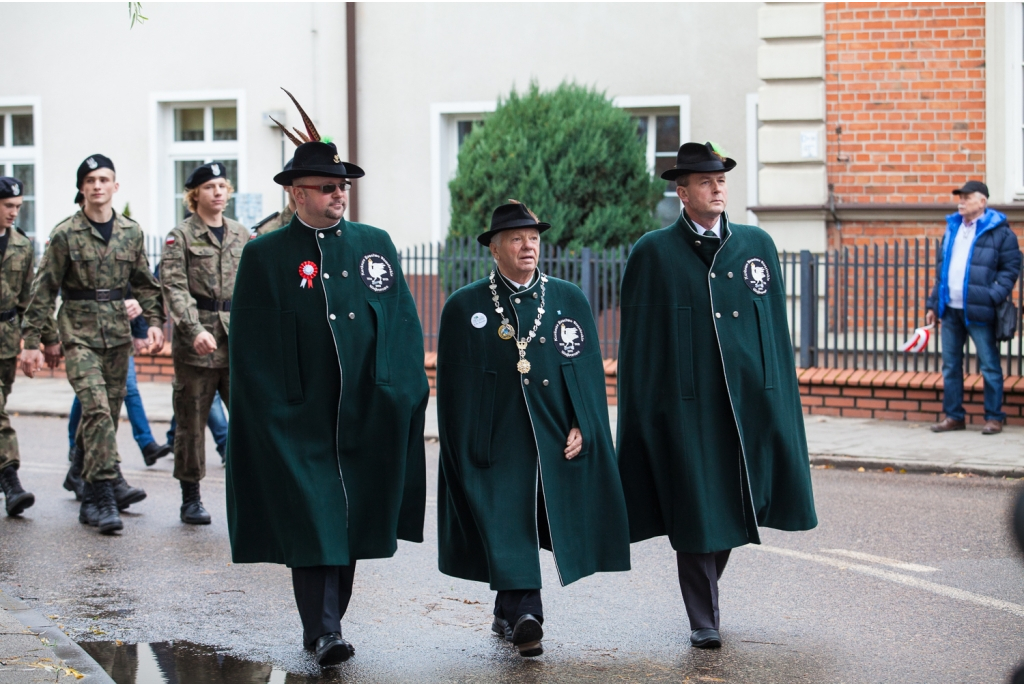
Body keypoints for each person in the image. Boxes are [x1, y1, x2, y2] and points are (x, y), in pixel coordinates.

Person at [226, 90, 429, 667]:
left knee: (352, 520)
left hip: (365, 411)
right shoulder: (264, 257)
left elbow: (400, 325)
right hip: (298, 416)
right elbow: (252, 346)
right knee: (313, 519)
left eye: (341, 186)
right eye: (325, 186)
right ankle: (323, 631)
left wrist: (404, 390)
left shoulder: (375, 246)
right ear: (296, 193)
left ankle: (330, 620)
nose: (337, 194)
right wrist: (266, 414)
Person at [616, 142, 818, 649]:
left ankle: (706, 591)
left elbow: (773, 332)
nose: (717, 189)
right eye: (705, 183)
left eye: (722, 181)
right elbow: (639, 346)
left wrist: (777, 401)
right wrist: (644, 415)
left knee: (731, 508)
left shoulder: (757, 245)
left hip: (747, 405)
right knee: (694, 509)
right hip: (686, 410)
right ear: (682, 193)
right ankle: (703, 617)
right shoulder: (653, 253)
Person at [436, 201, 631, 658]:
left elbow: (586, 371)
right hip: (493, 438)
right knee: (504, 518)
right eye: (516, 239)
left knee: (534, 520)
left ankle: (510, 612)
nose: (528, 246)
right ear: (495, 249)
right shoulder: (464, 306)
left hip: (551, 436)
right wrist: (461, 449)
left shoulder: (568, 298)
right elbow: (454, 388)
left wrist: (586, 423)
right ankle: (528, 615)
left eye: (533, 238)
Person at [21, 154, 165, 535]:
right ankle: (99, 496)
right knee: (98, 409)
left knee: (106, 411)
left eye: (104, 179)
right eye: (90, 180)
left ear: (115, 186)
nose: (97, 186)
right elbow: (44, 289)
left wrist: (151, 323)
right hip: (78, 333)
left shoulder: (132, 232)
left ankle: (78, 472)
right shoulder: (65, 233)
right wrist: (33, 341)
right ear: (82, 189)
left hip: (117, 334)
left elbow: (146, 283)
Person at [160, 162, 247, 524]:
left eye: (222, 186)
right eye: (209, 187)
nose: (217, 192)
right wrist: (194, 330)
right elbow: (174, 288)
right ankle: (191, 497)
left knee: (248, 422)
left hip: (236, 341)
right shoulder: (179, 237)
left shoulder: (242, 235)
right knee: (191, 423)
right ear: (195, 195)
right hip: (197, 345)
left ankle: (251, 495)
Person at [926, 181, 1022, 435]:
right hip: (951, 309)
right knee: (950, 366)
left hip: (980, 309)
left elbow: (1011, 268)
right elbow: (941, 271)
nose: (961, 201)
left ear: (982, 202)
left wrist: (993, 294)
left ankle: (993, 417)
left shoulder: (1000, 232)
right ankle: (954, 416)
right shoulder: (953, 228)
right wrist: (934, 304)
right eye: (960, 197)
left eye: (967, 197)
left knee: (989, 365)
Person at [66, 297, 172, 473]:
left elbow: (136, 288)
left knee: (128, 388)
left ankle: (146, 444)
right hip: (88, 336)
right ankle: (76, 447)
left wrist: (139, 330)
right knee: (87, 392)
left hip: (118, 337)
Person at [0, 177, 38, 517]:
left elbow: (29, 298)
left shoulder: (23, 246)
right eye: (8, 206)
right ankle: (11, 479)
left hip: (7, 338)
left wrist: (34, 342)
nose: (14, 213)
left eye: (17, 207)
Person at [252, 158, 295, 236]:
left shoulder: (323, 224)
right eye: (297, 182)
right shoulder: (266, 231)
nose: (305, 188)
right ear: (285, 186)